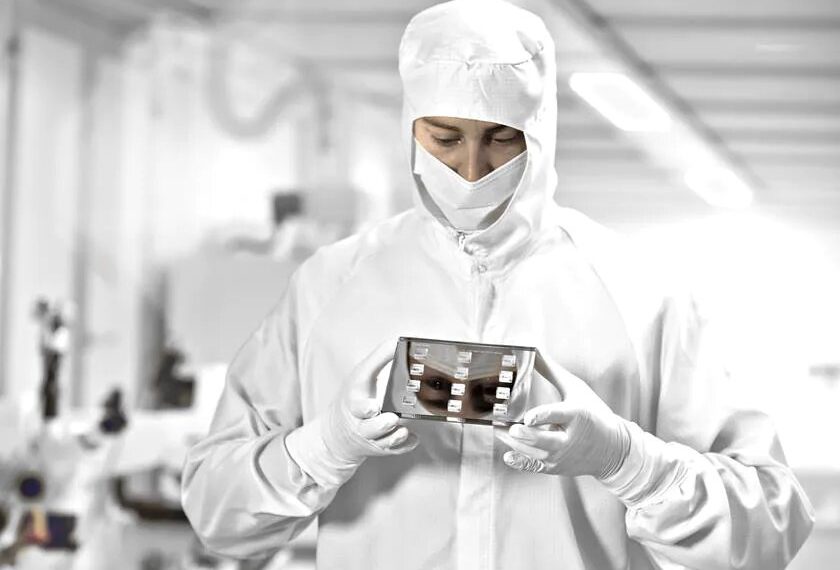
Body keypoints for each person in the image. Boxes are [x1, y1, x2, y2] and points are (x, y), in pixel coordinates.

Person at [181, 1, 815, 569]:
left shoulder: (643, 294)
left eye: (501, 138)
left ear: (540, 133)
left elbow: (770, 527)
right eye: (445, 138)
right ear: (410, 126)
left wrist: (627, 460)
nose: (471, 168)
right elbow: (217, 516)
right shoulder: (330, 286)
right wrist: (324, 445)